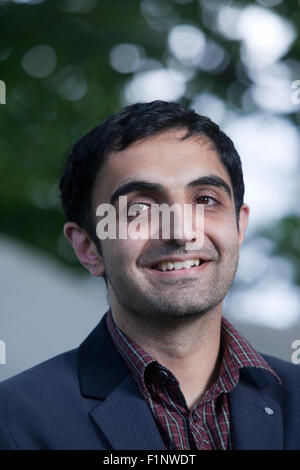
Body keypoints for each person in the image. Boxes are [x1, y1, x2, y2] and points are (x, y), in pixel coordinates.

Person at [0, 100, 299, 451]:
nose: (181, 232)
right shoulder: (14, 422)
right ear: (88, 248)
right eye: (139, 208)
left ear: (239, 225)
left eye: (205, 200)